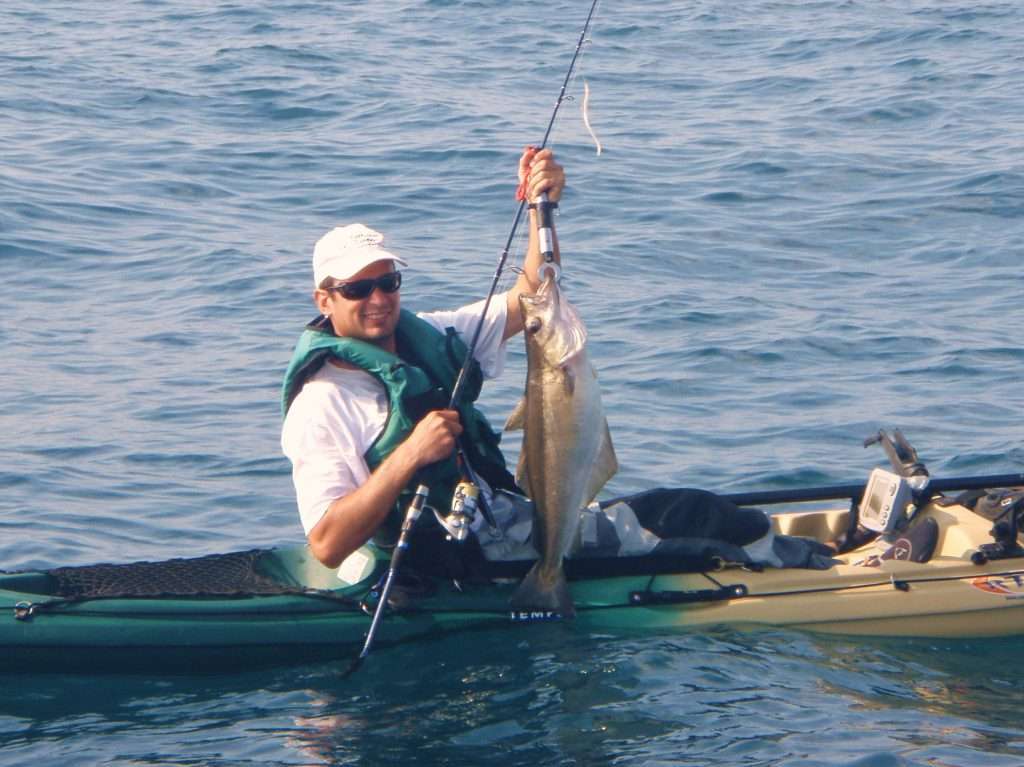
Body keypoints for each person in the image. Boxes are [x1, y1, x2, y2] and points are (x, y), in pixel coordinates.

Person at [281, 148, 566, 570]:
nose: (378, 299)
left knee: (683, 511)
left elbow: (532, 300)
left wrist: (539, 207)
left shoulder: (432, 334)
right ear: (324, 300)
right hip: (442, 564)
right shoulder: (321, 403)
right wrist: (411, 453)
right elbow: (326, 545)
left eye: (388, 282)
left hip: (507, 524)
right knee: (688, 517)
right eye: (357, 290)